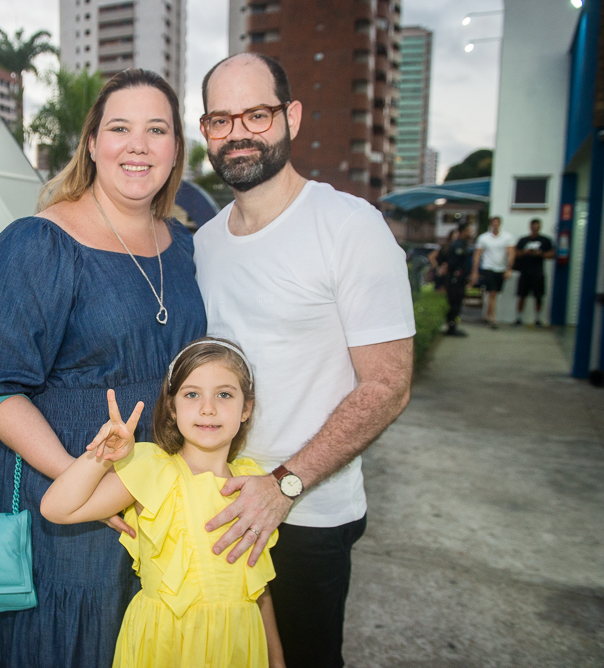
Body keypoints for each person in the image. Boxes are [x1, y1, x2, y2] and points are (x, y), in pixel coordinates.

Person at [0, 69, 206, 668]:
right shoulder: (39, 243)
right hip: (66, 497)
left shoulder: (183, 246)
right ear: (91, 143)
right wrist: (88, 488)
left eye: (157, 129)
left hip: (160, 496)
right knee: (76, 641)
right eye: (120, 128)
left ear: (176, 150)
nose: (138, 145)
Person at [192, 53, 416, 668]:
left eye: (257, 114)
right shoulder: (204, 245)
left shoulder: (349, 227)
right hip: (218, 509)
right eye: (220, 119)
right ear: (206, 131)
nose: (238, 132)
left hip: (308, 514)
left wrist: (283, 485)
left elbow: (387, 387)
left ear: (290, 117)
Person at [41, 338, 286, 668]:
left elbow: (258, 586)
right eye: (192, 394)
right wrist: (102, 456)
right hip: (164, 646)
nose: (208, 408)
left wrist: (276, 658)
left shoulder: (254, 484)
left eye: (224, 394)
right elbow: (56, 508)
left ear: (246, 408)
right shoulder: (152, 469)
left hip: (239, 647)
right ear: (172, 407)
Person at [471, 216, 516, 329]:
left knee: (494, 293)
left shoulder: (507, 237)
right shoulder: (484, 238)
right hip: (488, 267)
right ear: (490, 224)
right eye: (493, 223)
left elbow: (511, 253)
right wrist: (475, 271)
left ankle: (487, 316)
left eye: (497, 223)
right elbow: (477, 255)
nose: (495, 225)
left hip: (500, 268)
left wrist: (509, 269)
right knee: (492, 292)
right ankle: (493, 319)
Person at [513, 218, 555, 327]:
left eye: (537, 227)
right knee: (522, 295)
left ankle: (537, 318)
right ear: (530, 227)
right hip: (525, 272)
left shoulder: (545, 240)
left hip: (538, 272)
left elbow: (552, 254)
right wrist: (524, 252)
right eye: (533, 227)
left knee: (538, 296)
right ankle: (519, 318)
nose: (535, 229)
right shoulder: (523, 240)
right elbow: (516, 253)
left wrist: (540, 254)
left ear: (539, 227)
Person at [444, 222, 474, 337]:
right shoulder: (457, 245)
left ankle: (453, 326)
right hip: (455, 279)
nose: (470, 233)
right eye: (468, 230)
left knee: (457, 303)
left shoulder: (463, 244)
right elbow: (453, 263)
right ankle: (451, 327)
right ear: (462, 232)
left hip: (460, 279)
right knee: (454, 303)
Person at [428, 228, 459, 293]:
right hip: (443, 270)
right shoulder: (445, 247)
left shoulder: (458, 248)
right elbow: (431, 256)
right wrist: (437, 266)